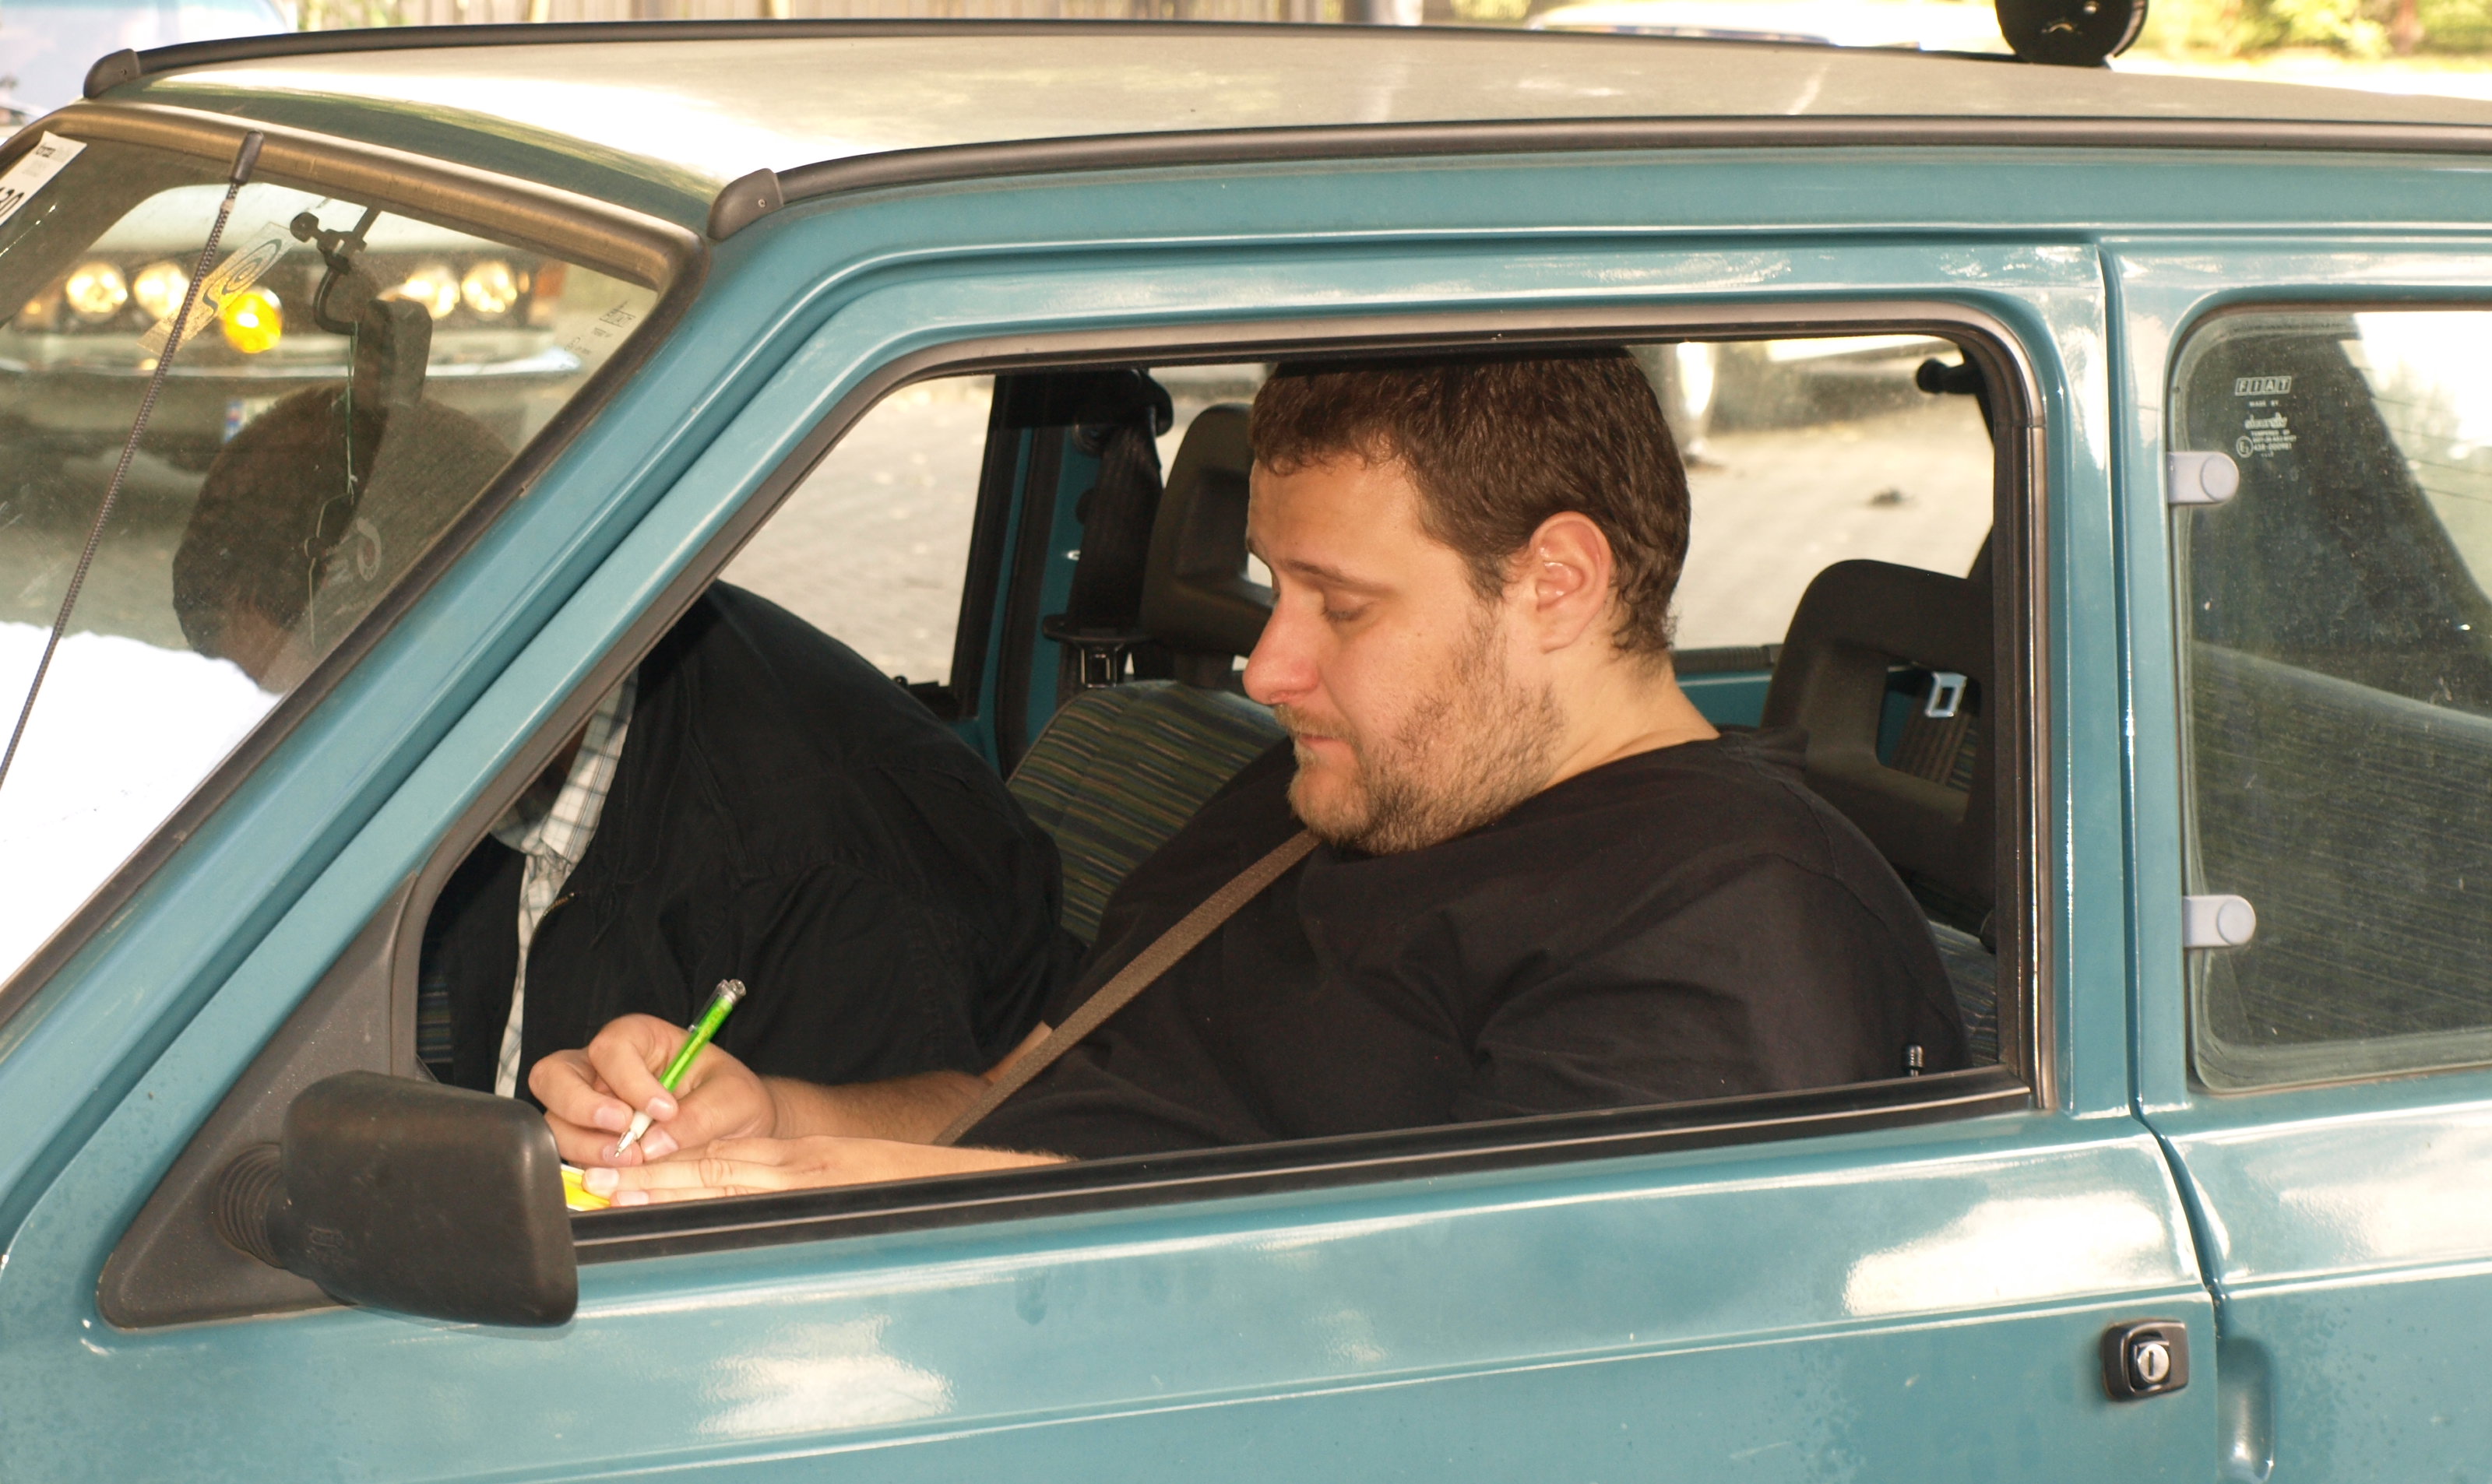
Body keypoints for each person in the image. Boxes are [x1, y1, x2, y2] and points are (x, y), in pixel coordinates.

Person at [539, 350, 1969, 1201]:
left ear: (1555, 583)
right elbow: (1017, 1093)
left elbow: (1479, 1354)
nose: (1270, 668)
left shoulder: (1729, 928)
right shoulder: (1335, 799)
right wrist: (780, 1123)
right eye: (1275, 589)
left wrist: (911, 1211)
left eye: (1341, 606)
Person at [176, 384, 1076, 1108]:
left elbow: (816, 1238)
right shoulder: (518, 747)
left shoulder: (819, 875)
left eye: (329, 710)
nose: (323, 760)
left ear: (451, 637)